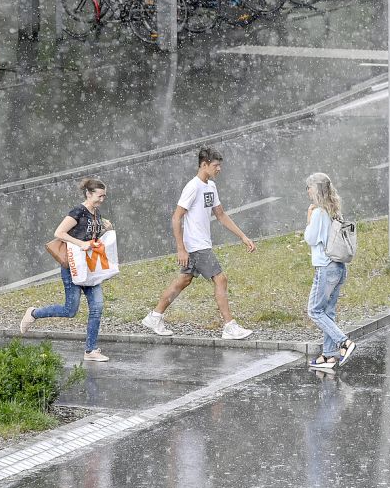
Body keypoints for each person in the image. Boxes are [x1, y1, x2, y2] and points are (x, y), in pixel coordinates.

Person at [141, 147, 255, 340]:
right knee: (221, 279)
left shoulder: (211, 186)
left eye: (220, 165)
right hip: (196, 245)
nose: (219, 169)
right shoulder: (192, 187)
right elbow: (176, 217)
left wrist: (243, 236)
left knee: (183, 280)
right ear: (204, 165)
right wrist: (181, 249)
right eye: (215, 165)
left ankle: (155, 316)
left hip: (200, 244)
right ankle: (229, 326)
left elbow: (220, 215)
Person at [20, 178, 114, 362]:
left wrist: (104, 229)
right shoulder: (77, 211)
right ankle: (33, 313)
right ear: (89, 194)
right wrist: (81, 244)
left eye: (104, 196)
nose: (102, 199)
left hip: (89, 267)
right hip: (72, 267)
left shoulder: (96, 213)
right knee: (70, 310)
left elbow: (90, 238)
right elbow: (59, 233)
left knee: (97, 307)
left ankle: (90, 350)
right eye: (100, 196)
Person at [304, 173, 357, 370]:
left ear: (316, 190)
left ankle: (344, 343)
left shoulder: (318, 213)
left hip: (325, 268)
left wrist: (309, 219)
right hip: (339, 267)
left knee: (314, 311)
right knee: (328, 312)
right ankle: (328, 356)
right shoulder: (334, 210)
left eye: (309, 187)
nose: (307, 191)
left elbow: (311, 239)